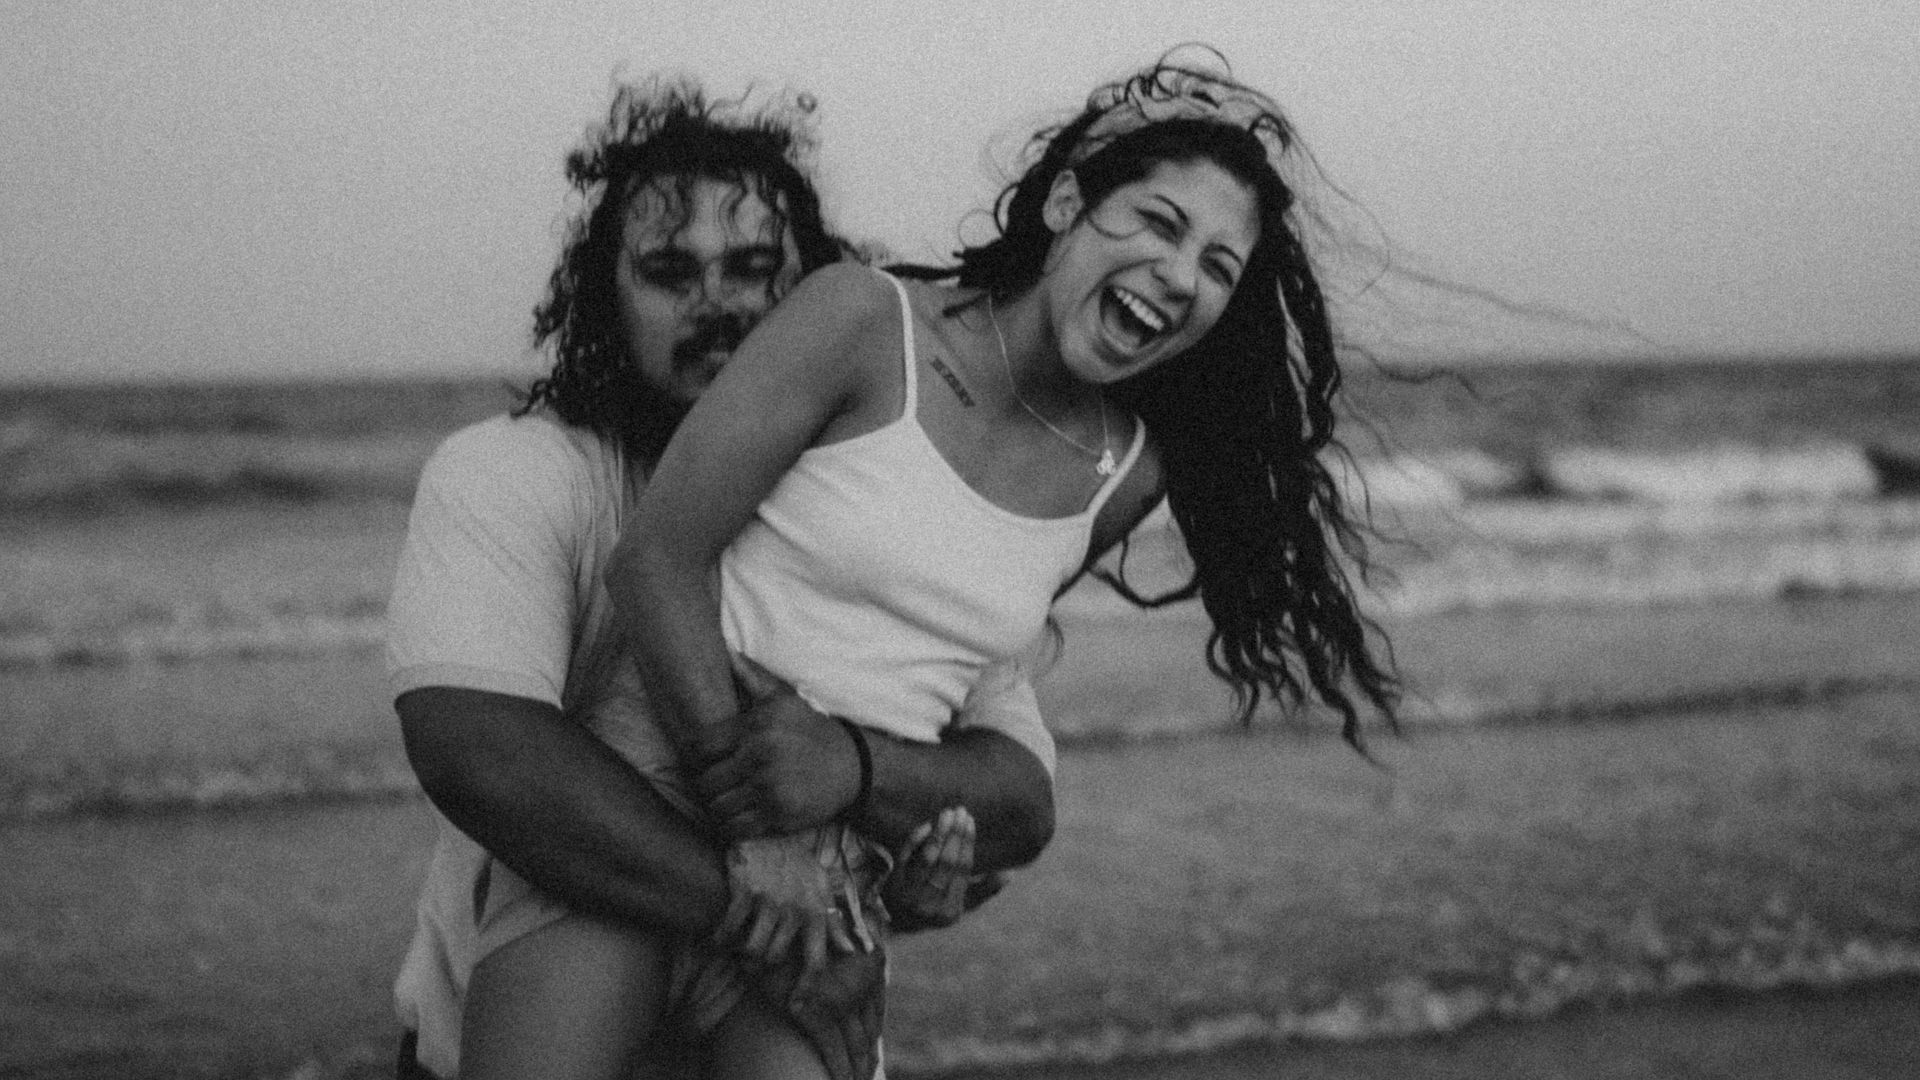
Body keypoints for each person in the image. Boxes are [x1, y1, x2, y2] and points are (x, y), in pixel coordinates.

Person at [575, 50, 1403, 1080]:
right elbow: (656, 560)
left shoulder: (1128, 476)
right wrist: (763, 836)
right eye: (1157, 223)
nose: (1182, 275)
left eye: (1219, 268)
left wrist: (910, 860)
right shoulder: (861, 320)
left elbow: (941, 667)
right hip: (650, 784)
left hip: (831, 879)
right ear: (1066, 203)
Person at [387, 78, 1058, 1080]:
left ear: (815, 293)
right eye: (670, 271)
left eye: (754, 267)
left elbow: (1017, 790)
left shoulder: (886, 513)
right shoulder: (520, 470)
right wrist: (774, 916)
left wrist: (879, 792)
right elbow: (479, 751)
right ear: (604, 297)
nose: (719, 303)